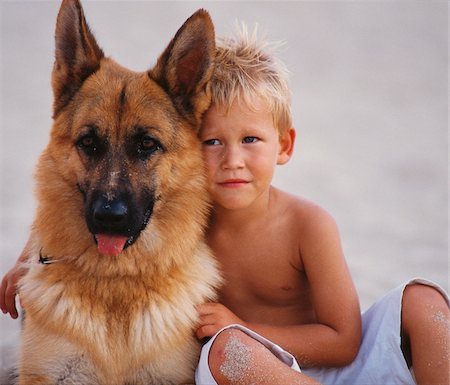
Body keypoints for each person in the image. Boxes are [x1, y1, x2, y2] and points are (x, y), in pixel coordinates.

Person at [2, 26, 449, 385]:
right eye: (213, 142)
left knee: (421, 299)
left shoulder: (307, 223)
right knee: (228, 350)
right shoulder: (193, 218)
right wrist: (30, 254)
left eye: (250, 140)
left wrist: (241, 325)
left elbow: (346, 340)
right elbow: (61, 209)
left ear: (285, 145)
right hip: (255, 368)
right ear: (195, 147)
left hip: (337, 365)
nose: (232, 160)